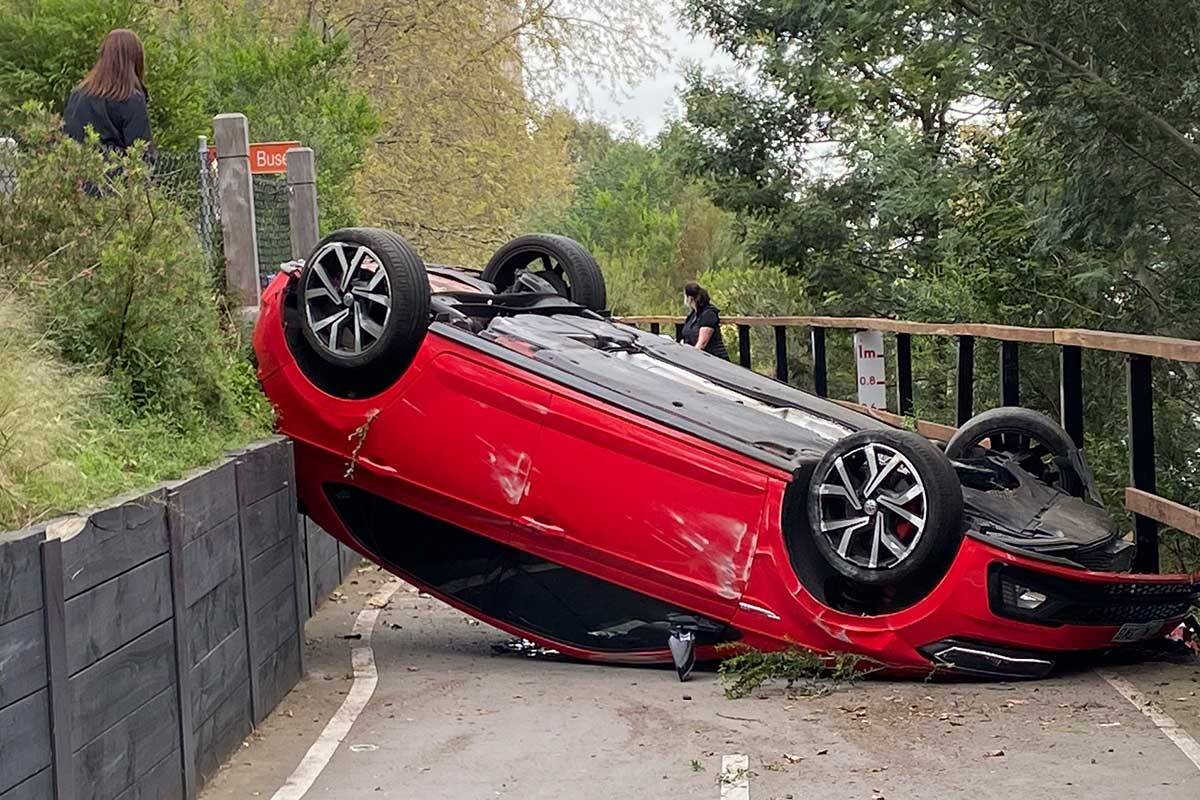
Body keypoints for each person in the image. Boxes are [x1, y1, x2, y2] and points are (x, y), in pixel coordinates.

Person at [64, 29, 154, 157]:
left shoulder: (78, 94)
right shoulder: (131, 98)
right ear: (135, 59)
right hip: (115, 173)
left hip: (76, 170)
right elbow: (141, 153)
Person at [679, 281, 729, 359]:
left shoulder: (708, 314)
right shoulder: (692, 315)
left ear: (689, 298)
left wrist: (690, 358)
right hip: (699, 357)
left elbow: (702, 344)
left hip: (714, 359)